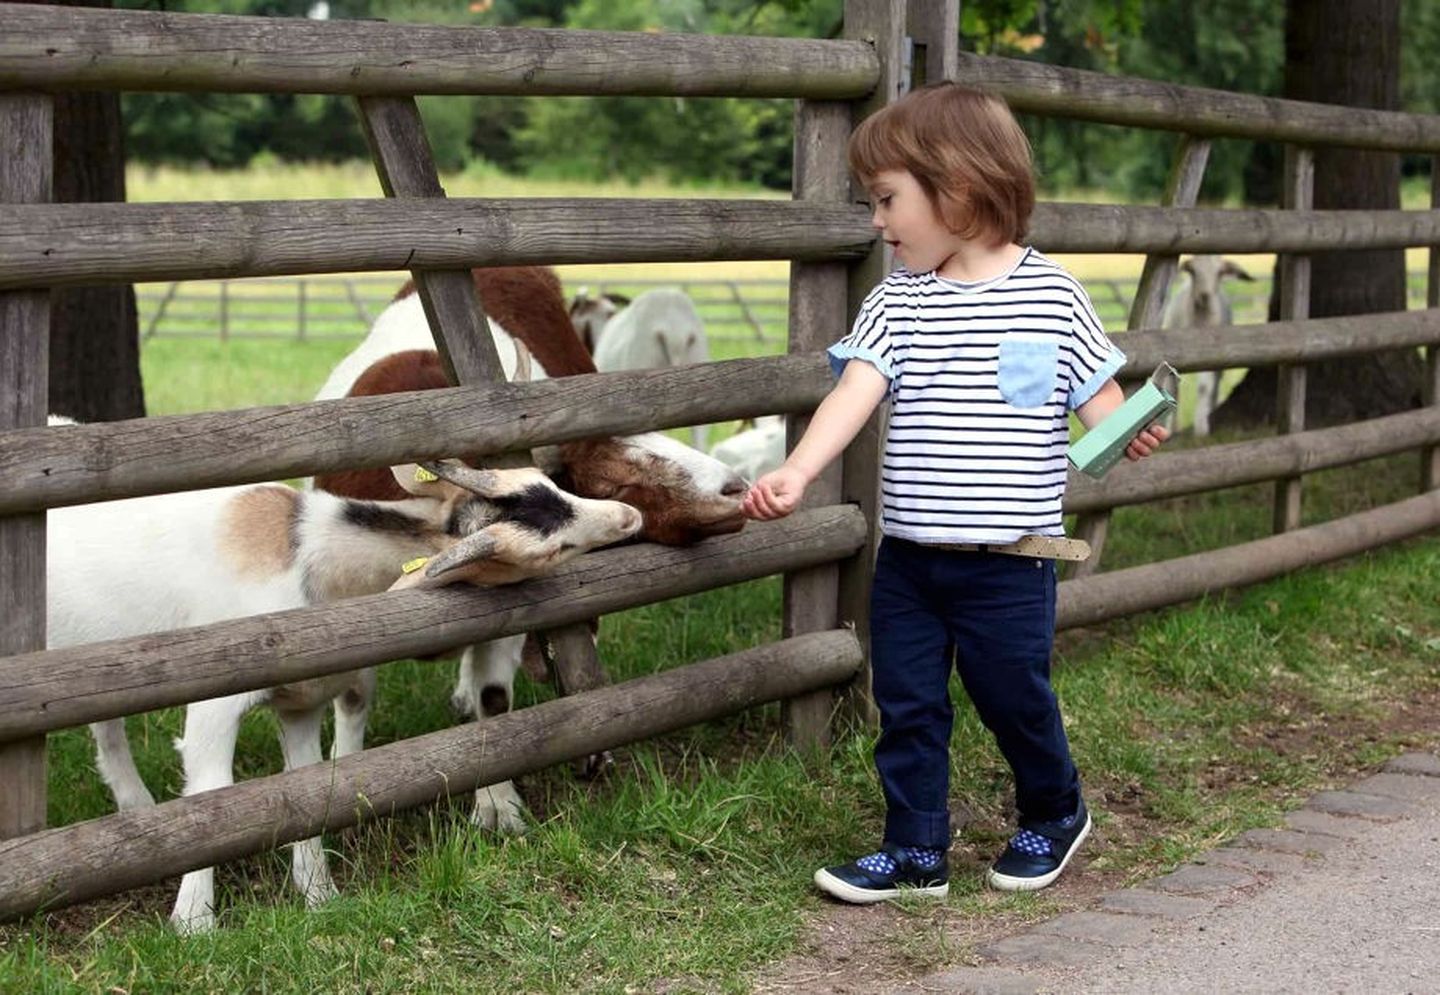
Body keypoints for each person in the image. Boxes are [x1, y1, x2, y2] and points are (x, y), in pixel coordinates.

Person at [742, 82, 1167, 904]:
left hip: (1013, 561)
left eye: (888, 199)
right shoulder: (901, 299)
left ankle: (1055, 809)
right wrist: (799, 469)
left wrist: (1132, 431)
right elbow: (855, 391)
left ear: (960, 189)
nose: (877, 220)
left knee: (1014, 696)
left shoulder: (1054, 295)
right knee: (906, 705)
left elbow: (1104, 415)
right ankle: (915, 849)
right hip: (909, 560)